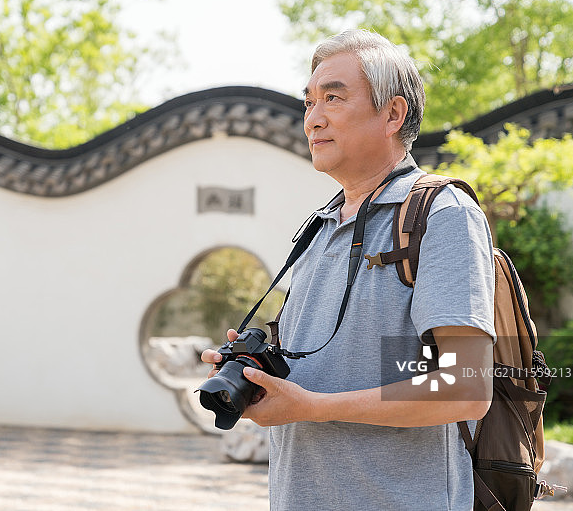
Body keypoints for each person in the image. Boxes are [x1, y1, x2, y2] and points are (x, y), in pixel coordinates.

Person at [201, 29, 496, 510]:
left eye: (333, 98)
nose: (312, 120)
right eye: (309, 102)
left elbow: (464, 385)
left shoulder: (441, 214)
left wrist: (313, 408)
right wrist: (256, 378)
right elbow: (327, 371)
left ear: (393, 114)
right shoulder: (319, 227)